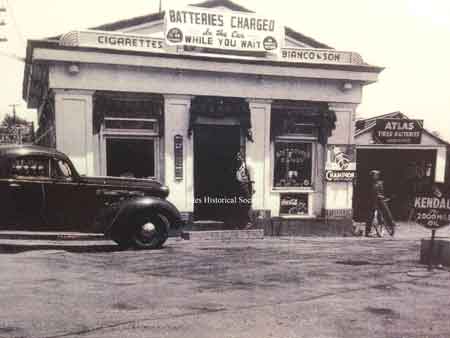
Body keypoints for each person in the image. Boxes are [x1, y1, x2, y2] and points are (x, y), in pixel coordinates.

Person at [365, 170, 397, 236]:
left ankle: (391, 225)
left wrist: (386, 197)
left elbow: (386, 191)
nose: (375, 176)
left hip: (380, 200)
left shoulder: (381, 183)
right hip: (373, 201)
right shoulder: (370, 184)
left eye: (376, 175)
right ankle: (368, 231)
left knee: (387, 212)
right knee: (370, 215)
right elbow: (368, 193)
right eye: (373, 175)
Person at [235, 152, 254, 229]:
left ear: (243, 157)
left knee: (247, 204)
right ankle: (241, 223)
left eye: (239, 156)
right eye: (237, 157)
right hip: (239, 187)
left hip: (246, 186)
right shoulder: (237, 167)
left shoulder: (247, 166)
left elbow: (252, 178)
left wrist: (252, 188)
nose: (238, 158)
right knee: (240, 204)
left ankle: (249, 222)